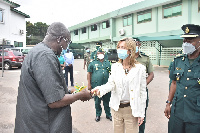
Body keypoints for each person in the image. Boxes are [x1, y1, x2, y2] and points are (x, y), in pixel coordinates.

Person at [14, 22, 92, 133]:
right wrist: (79, 95)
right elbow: (55, 101)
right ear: (60, 39)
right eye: (67, 42)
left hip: (34, 122)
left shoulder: (36, 51)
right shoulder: (45, 56)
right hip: (43, 126)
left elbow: (45, 89)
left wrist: (69, 91)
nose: (66, 47)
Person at [91, 37, 147, 133]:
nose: (119, 50)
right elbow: (111, 84)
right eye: (119, 47)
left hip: (131, 110)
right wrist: (100, 89)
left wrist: (141, 113)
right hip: (116, 108)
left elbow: (142, 92)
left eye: (123, 47)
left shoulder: (140, 69)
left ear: (130, 51)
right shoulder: (115, 67)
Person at [164, 24, 200, 133]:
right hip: (177, 112)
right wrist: (168, 103)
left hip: (196, 115)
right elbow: (174, 83)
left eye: (190, 40)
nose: (186, 43)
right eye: (184, 40)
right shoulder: (178, 60)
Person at [134, 38, 154, 133]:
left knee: (141, 114)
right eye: (133, 44)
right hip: (128, 91)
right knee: (128, 115)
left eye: (136, 44)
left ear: (140, 44)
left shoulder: (145, 58)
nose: (135, 46)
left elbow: (151, 74)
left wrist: (143, 84)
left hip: (141, 91)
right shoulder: (126, 58)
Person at [87, 47, 112, 122]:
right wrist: (89, 84)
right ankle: (98, 114)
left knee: (107, 100)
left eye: (102, 53)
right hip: (96, 85)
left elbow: (111, 73)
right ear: (96, 54)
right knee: (97, 101)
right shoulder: (93, 63)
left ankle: (108, 114)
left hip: (106, 85)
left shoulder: (108, 63)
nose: (100, 54)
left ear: (104, 54)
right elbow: (89, 73)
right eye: (99, 53)